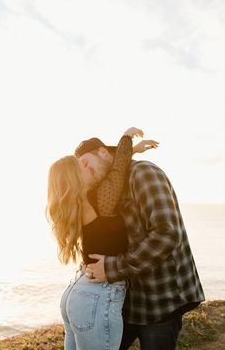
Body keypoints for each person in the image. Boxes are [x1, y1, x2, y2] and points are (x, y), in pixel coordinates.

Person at [74, 134, 205, 350]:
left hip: (160, 301)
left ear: (104, 152)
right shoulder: (107, 189)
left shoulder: (144, 173)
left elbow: (166, 234)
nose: (86, 172)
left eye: (87, 163)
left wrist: (112, 267)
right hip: (126, 301)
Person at [46, 127, 159, 350]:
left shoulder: (78, 204)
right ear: (75, 179)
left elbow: (110, 168)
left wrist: (133, 150)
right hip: (97, 295)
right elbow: (116, 171)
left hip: (78, 292)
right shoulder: (102, 200)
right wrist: (126, 139)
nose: (87, 168)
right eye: (81, 167)